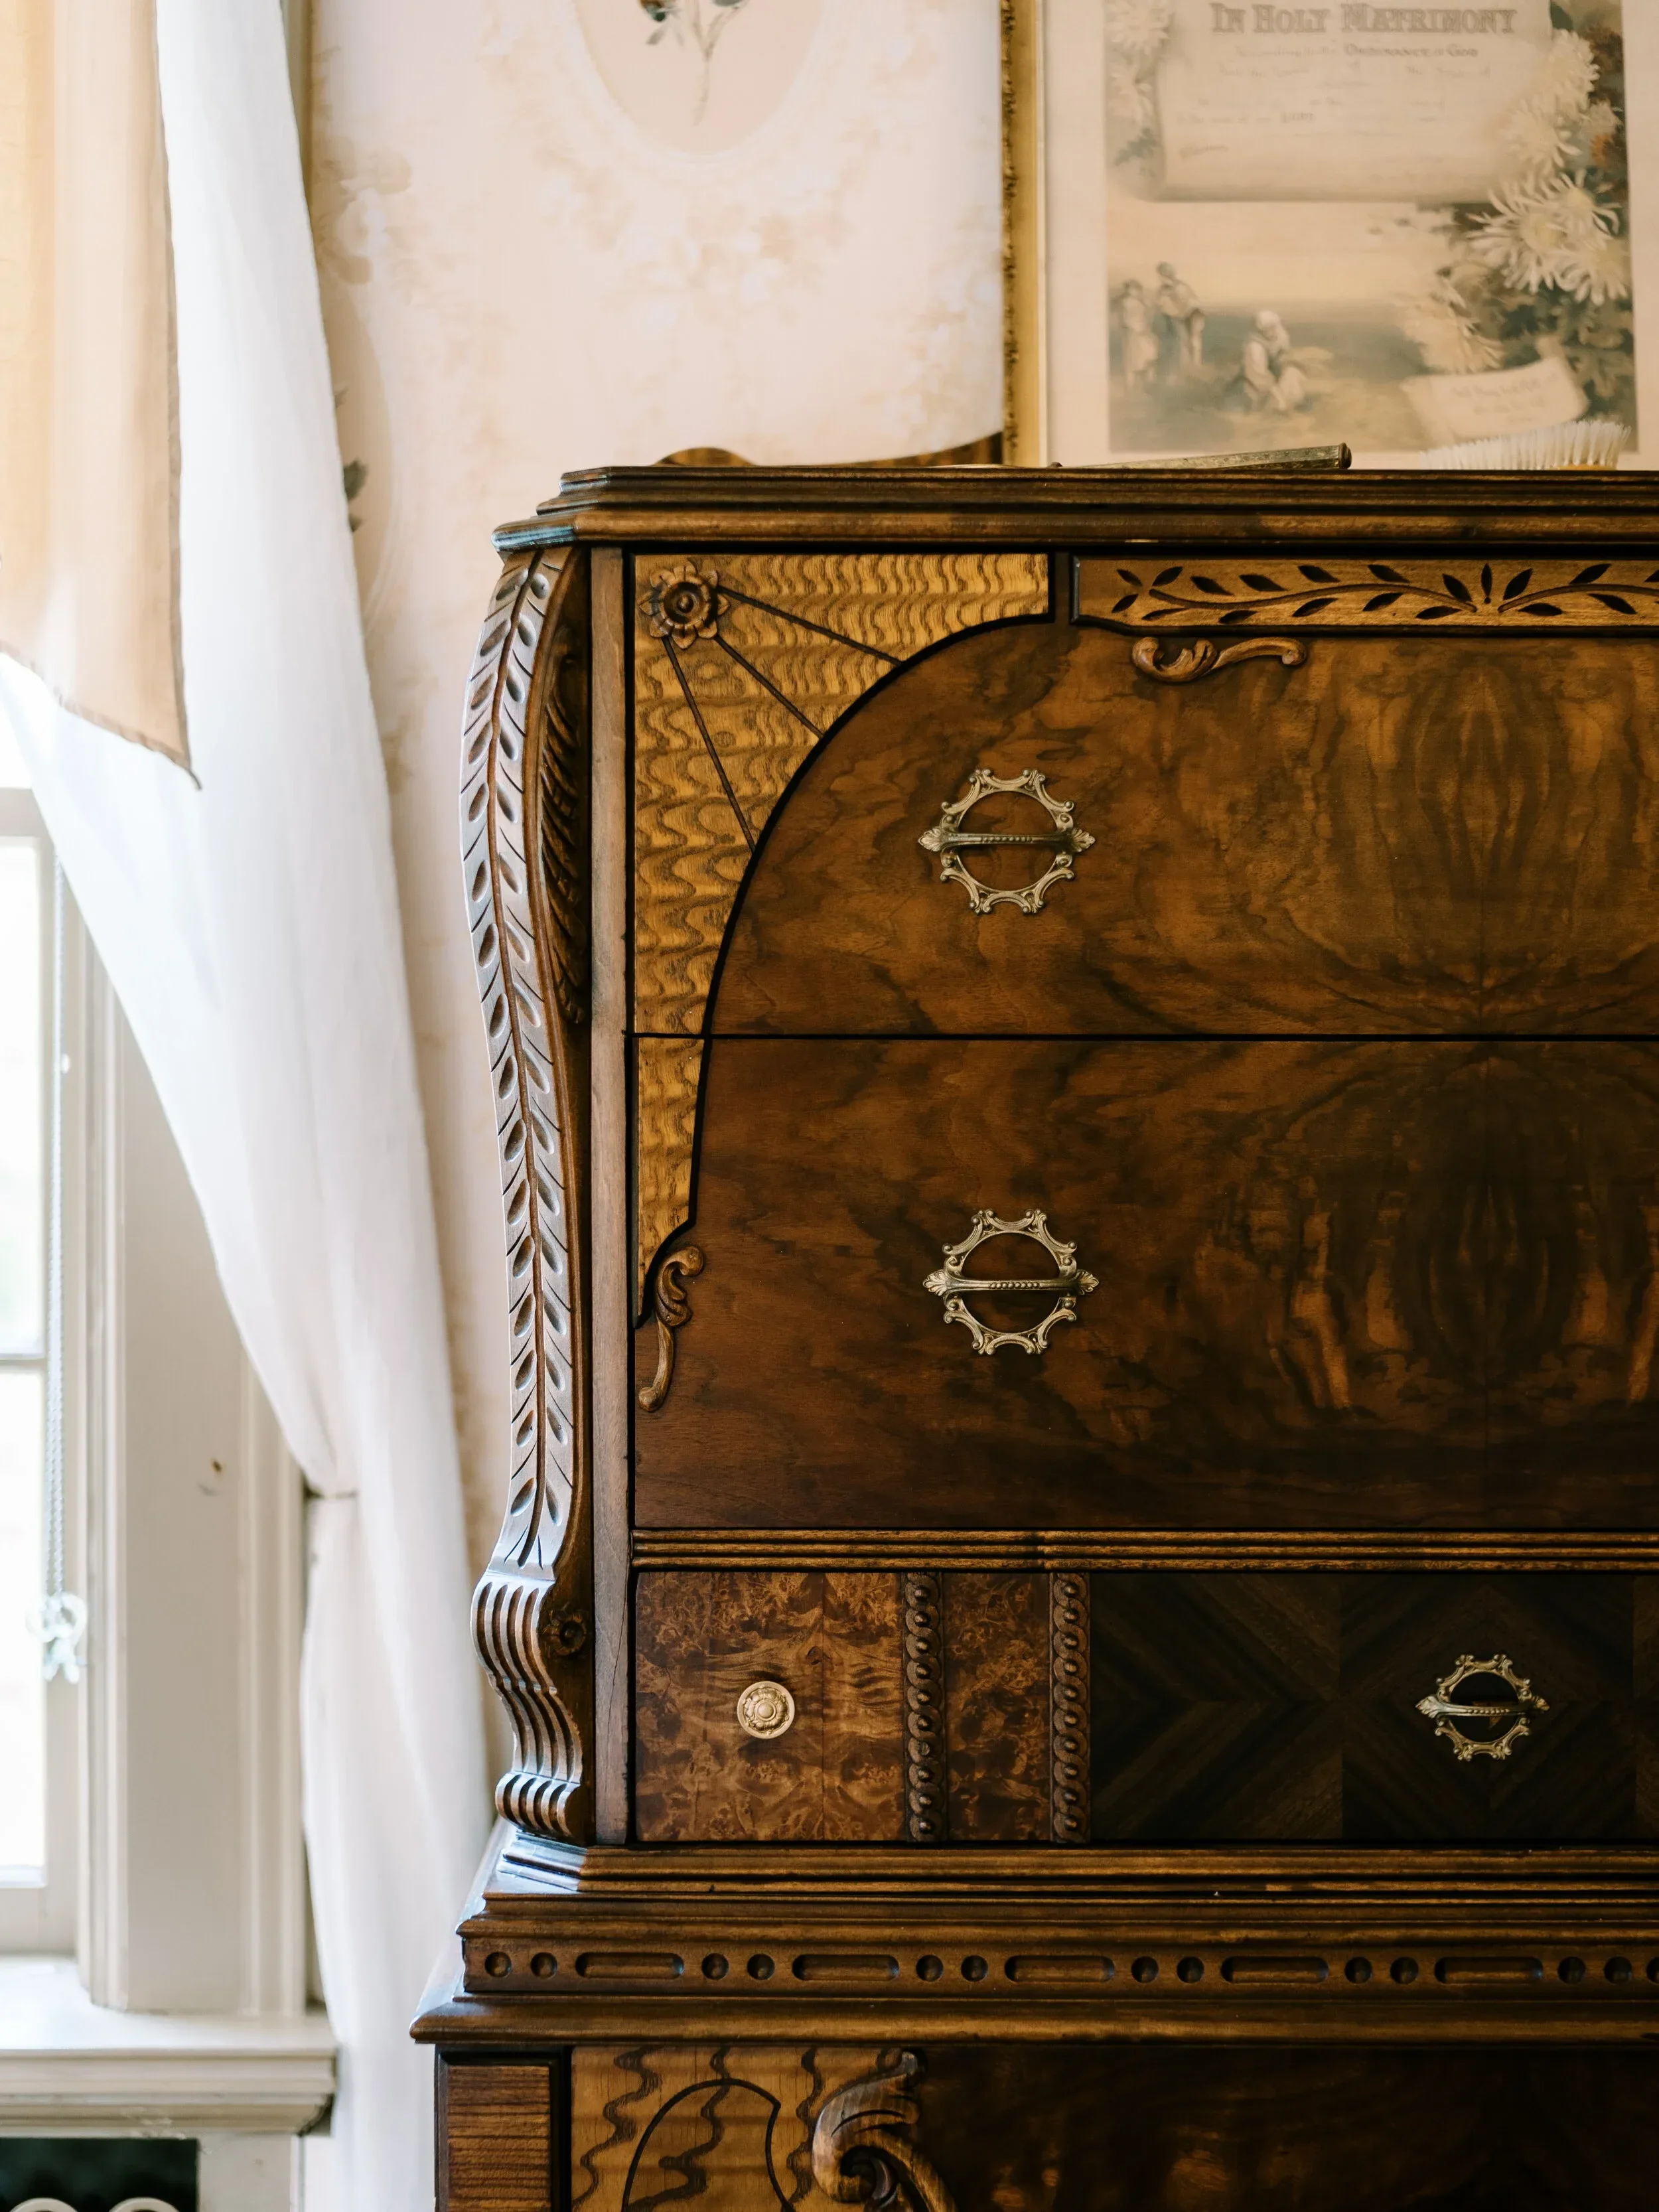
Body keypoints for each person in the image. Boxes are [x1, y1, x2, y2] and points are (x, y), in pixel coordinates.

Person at [1240, 309, 1307, 413]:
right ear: (1263, 329)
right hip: (1258, 391)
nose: (1276, 330)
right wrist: (1279, 397)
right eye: (1271, 328)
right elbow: (1259, 377)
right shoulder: (1255, 347)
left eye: (1275, 327)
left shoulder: (1271, 342)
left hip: (1271, 385)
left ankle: (1294, 406)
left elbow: (1282, 356)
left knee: (1293, 372)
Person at [1155, 261, 1205, 376]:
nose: (1160, 279)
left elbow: (1190, 305)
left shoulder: (1180, 287)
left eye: (1162, 275)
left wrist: (1186, 319)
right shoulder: (1163, 289)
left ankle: (1194, 369)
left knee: (1192, 343)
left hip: (1192, 316)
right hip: (1176, 318)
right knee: (1178, 343)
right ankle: (1180, 369)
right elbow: (1162, 305)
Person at [1117, 279, 1158, 390]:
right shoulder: (1125, 302)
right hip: (1133, 332)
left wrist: (1146, 328)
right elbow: (1124, 319)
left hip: (1144, 331)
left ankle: (1150, 383)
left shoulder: (1142, 301)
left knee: (1149, 357)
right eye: (1131, 289)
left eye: (1136, 289)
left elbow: (1150, 311)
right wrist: (1134, 328)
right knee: (1132, 359)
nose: (1134, 291)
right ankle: (1130, 385)